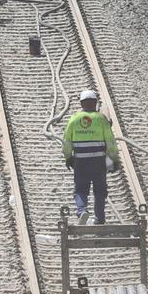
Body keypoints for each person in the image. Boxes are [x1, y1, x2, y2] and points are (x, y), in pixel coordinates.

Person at [61, 90, 120, 225]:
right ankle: (99, 219)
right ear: (95, 103)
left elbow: (67, 141)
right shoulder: (101, 119)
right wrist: (114, 159)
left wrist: (68, 157)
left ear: (81, 103)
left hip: (81, 161)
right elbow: (110, 141)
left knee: (81, 189)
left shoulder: (74, 119)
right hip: (99, 161)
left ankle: (82, 211)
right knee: (100, 190)